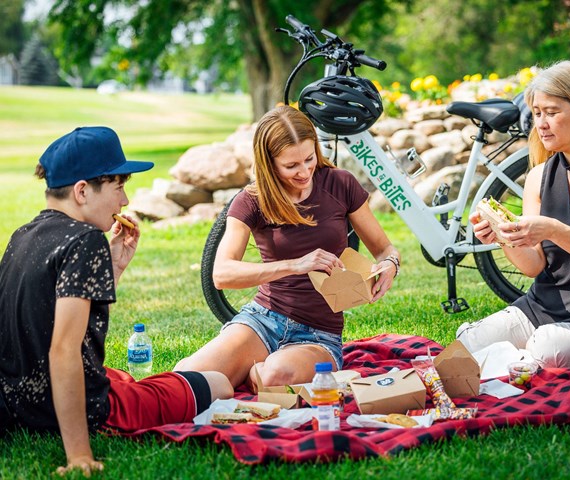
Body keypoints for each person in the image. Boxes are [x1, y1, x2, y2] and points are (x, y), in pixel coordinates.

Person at [0, 127, 233, 477]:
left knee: (123, 376)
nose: (124, 201)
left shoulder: (23, 235)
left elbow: (46, 323)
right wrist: (79, 455)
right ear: (82, 191)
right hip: (75, 409)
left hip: (16, 403)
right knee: (218, 383)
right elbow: (63, 350)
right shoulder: (85, 240)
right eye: (119, 186)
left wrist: (113, 268)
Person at [175, 105, 400, 389]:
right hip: (262, 321)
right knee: (188, 377)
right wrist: (297, 264)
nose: (305, 172)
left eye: (309, 159)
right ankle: (245, 369)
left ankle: (249, 373)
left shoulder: (340, 183)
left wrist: (391, 265)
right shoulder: (251, 200)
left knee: (275, 375)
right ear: (269, 164)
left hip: (319, 335)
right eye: (291, 166)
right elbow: (221, 274)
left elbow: (385, 249)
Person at [457, 60, 570, 368]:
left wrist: (552, 229)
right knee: (467, 343)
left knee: (546, 349)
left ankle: (511, 365)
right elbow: (533, 265)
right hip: (541, 307)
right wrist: (503, 237)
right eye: (538, 112)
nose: (541, 123)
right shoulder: (538, 176)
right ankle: (510, 364)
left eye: (553, 112)